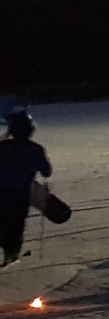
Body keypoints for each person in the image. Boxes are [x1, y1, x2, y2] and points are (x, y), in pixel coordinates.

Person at [0, 110, 53, 266]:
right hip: (21, 194)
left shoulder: (2, 147)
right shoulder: (35, 149)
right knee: (16, 225)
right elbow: (47, 171)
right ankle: (12, 253)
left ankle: (8, 249)